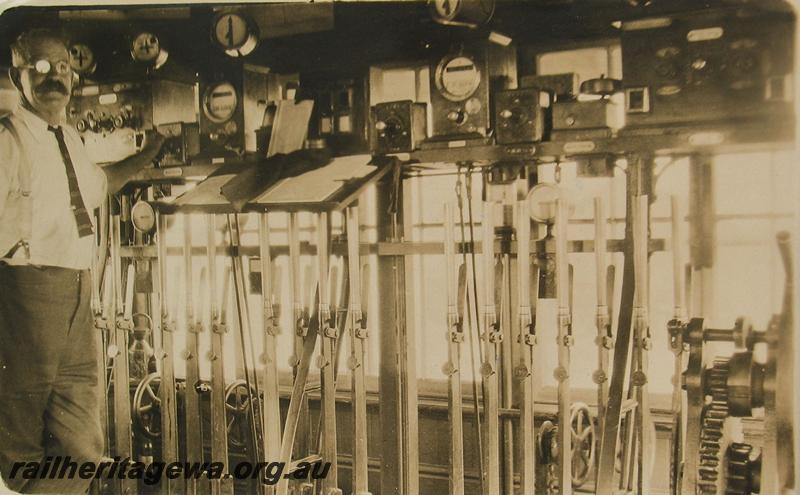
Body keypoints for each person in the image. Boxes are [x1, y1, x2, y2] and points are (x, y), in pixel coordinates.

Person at [0, 28, 165, 493]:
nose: (57, 77)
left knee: (82, 449)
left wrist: (149, 154)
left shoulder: (69, 138)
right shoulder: (7, 139)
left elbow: (101, 186)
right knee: (20, 448)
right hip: (27, 292)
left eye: (65, 68)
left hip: (79, 288)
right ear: (19, 75)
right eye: (43, 68)